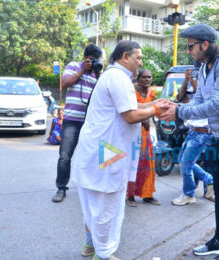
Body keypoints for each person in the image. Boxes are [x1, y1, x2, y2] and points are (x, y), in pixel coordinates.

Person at [160, 24, 219, 260]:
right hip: (218, 136)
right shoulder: (203, 68)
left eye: (191, 46)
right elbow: (199, 100)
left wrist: (180, 112)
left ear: (205, 44)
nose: (188, 51)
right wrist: (176, 106)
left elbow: (218, 105)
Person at [71, 40, 165, 260]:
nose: (141, 63)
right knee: (106, 202)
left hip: (102, 148)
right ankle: (103, 254)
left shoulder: (115, 77)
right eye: (138, 58)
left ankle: (90, 245)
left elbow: (132, 108)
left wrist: (154, 104)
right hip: (107, 150)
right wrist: (156, 109)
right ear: (125, 56)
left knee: (95, 201)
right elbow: (131, 116)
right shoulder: (118, 78)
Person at [52, 44, 102, 203]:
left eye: (96, 60)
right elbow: (64, 83)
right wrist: (82, 71)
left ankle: (90, 187)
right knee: (65, 156)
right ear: (85, 58)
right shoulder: (74, 66)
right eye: (91, 59)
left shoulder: (97, 73)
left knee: (93, 156)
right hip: (72, 120)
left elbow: (104, 93)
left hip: (90, 121)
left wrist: (98, 74)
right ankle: (61, 188)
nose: (93, 62)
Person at [172, 65, 215, 206]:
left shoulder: (206, 87)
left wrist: (193, 79)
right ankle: (209, 179)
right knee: (182, 160)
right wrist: (186, 79)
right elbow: (180, 97)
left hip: (202, 133)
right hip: (192, 130)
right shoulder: (190, 85)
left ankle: (189, 194)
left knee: (186, 164)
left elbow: (199, 94)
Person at [126, 68, 160, 207]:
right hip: (134, 131)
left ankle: (147, 194)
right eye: (144, 77)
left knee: (148, 163)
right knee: (134, 164)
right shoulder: (132, 94)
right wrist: (142, 119)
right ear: (138, 79)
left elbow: (152, 110)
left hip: (146, 133)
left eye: (149, 77)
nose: (147, 79)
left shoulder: (152, 93)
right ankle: (131, 196)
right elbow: (130, 111)